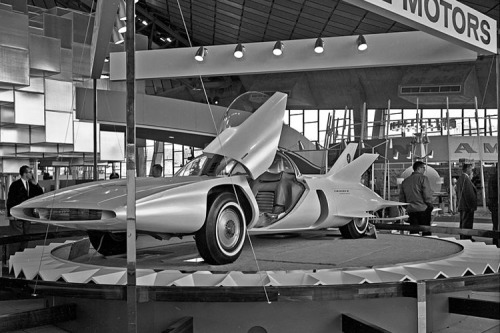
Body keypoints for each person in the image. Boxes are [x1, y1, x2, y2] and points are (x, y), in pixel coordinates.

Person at [6, 165, 44, 254]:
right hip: (17, 214)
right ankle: (14, 255)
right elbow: (10, 200)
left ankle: (23, 254)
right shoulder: (15, 185)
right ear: (24, 174)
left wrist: (36, 184)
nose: (32, 174)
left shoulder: (31, 184)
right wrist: (10, 214)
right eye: (30, 172)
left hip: (27, 214)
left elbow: (40, 194)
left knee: (26, 235)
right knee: (17, 236)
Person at [399, 161, 434, 236]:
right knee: (426, 232)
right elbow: (427, 194)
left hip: (411, 210)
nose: (424, 170)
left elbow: (402, 198)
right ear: (419, 168)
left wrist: (407, 207)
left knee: (414, 233)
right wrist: (430, 204)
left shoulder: (405, 181)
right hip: (423, 209)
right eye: (423, 168)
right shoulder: (423, 178)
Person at [456, 163, 477, 240]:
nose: (472, 171)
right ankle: (466, 238)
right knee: (467, 224)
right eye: (471, 169)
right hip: (467, 207)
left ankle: (465, 237)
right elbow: (468, 194)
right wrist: (471, 206)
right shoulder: (465, 179)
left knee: (464, 223)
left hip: (463, 206)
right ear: (467, 169)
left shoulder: (462, 178)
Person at [487, 165, 498, 247]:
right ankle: (497, 241)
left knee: (495, 224)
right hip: (496, 204)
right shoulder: (497, 178)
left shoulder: (492, 178)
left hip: (493, 204)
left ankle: (495, 240)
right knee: (497, 224)